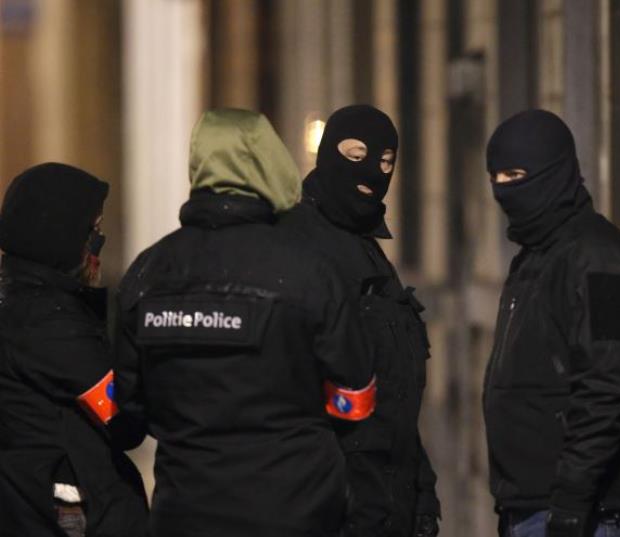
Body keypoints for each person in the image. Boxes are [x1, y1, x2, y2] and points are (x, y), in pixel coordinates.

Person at [115, 109, 375, 537]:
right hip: (296, 508)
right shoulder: (308, 271)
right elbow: (356, 397)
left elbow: (126, 415)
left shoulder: (148, 274)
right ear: (267, 161)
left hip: (186, 511)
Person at [482, 110, 620, 537]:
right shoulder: (535, 257)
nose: (504, 189)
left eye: (516, 174)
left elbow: (611, 385)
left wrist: (572, 502)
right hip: (532, 508)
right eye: (496, 177)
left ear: (552, 171)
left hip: (586, 514)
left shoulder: (600, 259)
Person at [288, 104, 440, 537]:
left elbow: (395, 402)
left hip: (388, 506)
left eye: (386, 162)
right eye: (356, 157)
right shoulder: (298, 248)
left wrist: (422, 494)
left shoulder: (368, 251)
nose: (373, 173)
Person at [0, 163, 148, 537]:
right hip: (69, 513)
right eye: (93, 232)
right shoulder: (50, 324)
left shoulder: (19, 304)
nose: (98, 244)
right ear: (60, 236)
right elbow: (126, 420)